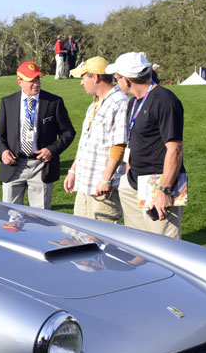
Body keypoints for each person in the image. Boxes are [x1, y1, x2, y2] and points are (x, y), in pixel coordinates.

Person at [106, 51, 185, 238]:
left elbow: (175, 148)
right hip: (133, 181)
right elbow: (134, 141)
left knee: (165, 249)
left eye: (116, 78)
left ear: (126, 80)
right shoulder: (134, 103)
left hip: (158, 183)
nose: (116, 83)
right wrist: (128, 174)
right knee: (138, 246)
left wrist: (164, 190)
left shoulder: (165, 100)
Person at [0, 61, 76, 209]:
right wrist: (3, 151)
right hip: (14, 166)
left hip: (41, 167)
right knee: (11, 217)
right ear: (20, 81)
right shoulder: (8, 102)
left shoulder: (54, 102)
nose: (36, 83)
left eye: (38, 79)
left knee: (41, 219)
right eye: (31, 80)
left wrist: (52, 149)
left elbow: (68, 132)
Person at [63, 56, 129, 223]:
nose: (81, 82)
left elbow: (119, 145)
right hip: (84, 184)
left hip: (102, 188)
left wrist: (106, 178)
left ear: (96, 76)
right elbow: (85, 142)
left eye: (84, 77)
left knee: (104, 241)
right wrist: (72, 171)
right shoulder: (95, 103)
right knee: (78, 235)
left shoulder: (119, 102)